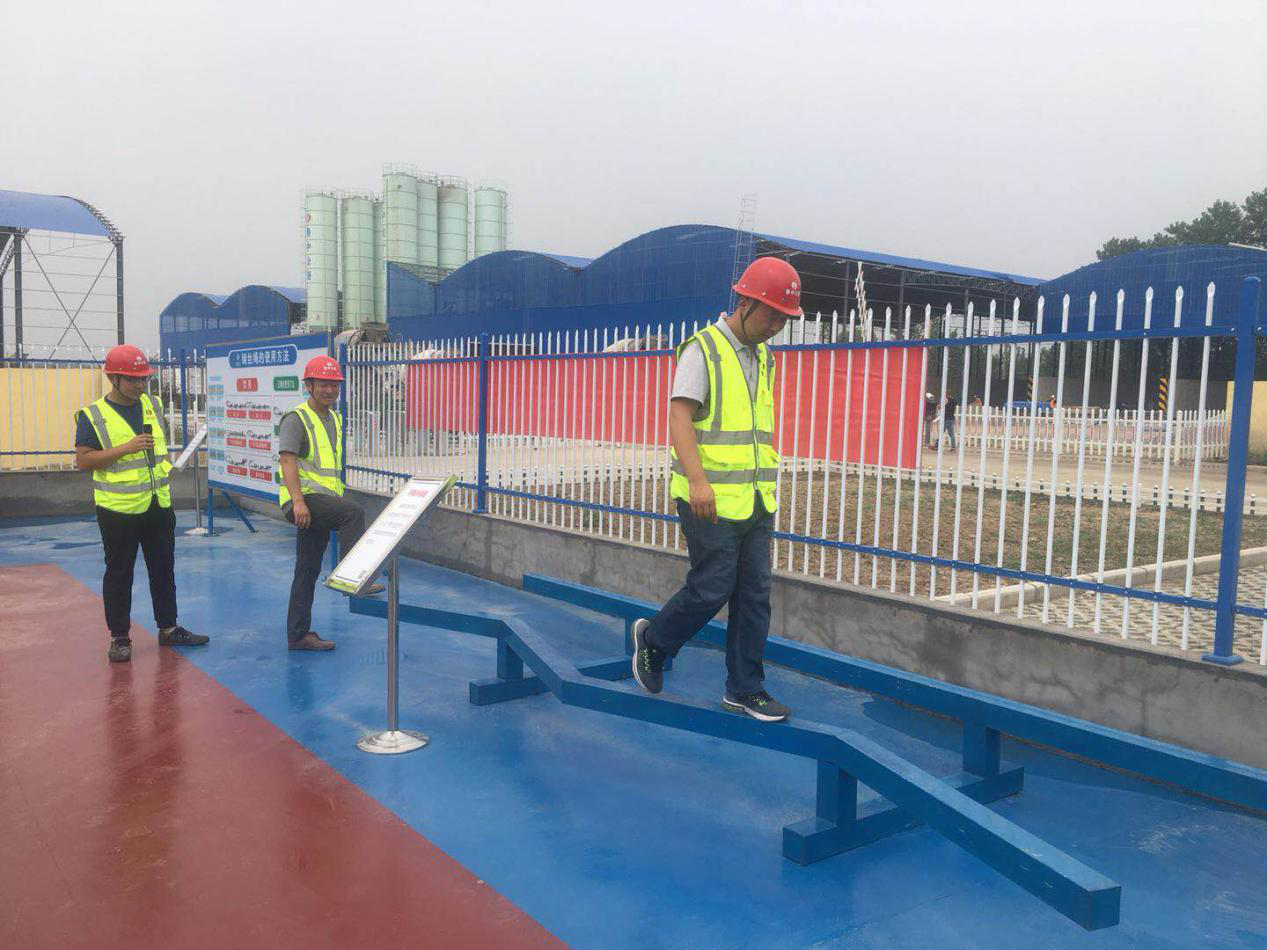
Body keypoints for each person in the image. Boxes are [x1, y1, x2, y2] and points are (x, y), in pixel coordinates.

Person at [629, 257, 802, 722]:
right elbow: (679, 415)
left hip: (755, 498)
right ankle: (654, 641)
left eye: (785, 320)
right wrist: (698, 481)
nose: (776, 327)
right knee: (711, 589)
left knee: (755, 595)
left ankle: (745, 689)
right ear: (745, 303)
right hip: (708, 498)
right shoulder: (702, 350)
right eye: (772, 316)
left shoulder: (764, 357)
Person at [75, 344, 209, 662]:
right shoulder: (93, 415)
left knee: (163, 569)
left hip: (157, 504)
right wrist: (126, 447)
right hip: (118, 510)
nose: (140, 385)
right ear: (114, 378)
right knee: (119, 574)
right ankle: (120, 637)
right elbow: (84, 461)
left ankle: (169, 628)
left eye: (144, 378)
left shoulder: (153, 404)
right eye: (133, 379)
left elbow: (157, 453)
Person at [277, 355, 382, 652]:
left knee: (307, 569)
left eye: (334, 385)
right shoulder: (297, 419)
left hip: (321, 502)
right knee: (353, 513)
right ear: (309, 385)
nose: (330, 391)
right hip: (303, 500)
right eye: (323, 384)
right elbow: (287, 460)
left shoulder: (334, 418)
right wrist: (298, 501)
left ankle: (298, 635)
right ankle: (352, 577)